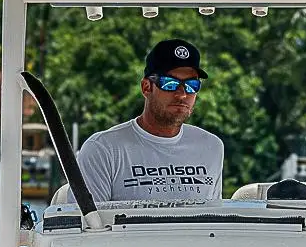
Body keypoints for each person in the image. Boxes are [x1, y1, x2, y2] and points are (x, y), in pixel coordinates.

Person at [63, 39, 224, 206]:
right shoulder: (103, 149)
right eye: (169, 83)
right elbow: (83, 226)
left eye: (192, 85)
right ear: (146, 87)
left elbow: (214, 221)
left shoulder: (212, 147)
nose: (182, 94)